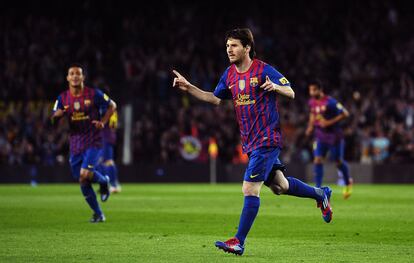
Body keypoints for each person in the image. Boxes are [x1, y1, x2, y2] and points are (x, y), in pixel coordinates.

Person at [172, 28, 333, 256]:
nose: (229, 49)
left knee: (249, 189)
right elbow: (215, 99)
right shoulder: (229, 74)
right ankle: (321, 194)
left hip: (267, 140)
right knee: (280, 186)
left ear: (247, 47)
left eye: (234, 45)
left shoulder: (263, 69)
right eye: (227, 45)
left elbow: (292, 92)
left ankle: (239, 241)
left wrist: (275, 87)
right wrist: (189, 87)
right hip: (250, 142)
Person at [51, 64, 117, 223]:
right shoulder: (62, 98)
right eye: (71, 74)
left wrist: (103, 121)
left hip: (93, 140)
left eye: (77, 74)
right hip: (75, 143)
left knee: (85, 174)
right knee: (82, 180)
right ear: (67, 78)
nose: (74, 76)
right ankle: (98, 214)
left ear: (82, 77)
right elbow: (53, 119)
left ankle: (103, 181)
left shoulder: (94, 94)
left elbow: (112, 105)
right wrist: (57, 115)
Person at [305, 80, 353, 199]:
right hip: (320, 135)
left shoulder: (330, 102)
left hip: (334, 136)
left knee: (338, 162)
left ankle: (348, 182)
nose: (311, 92)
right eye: (310, 90)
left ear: (320, 90)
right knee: (317, 160)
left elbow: (345, 114)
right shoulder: (312, 102)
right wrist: (310, 126)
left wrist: (328, 122)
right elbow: (312, 114)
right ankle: (318, 189)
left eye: (314, 90)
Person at [98, 108, 122, 193]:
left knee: (108, 161)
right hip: (106, 136)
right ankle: (106, 184)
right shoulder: (111, 108)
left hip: (106, 136)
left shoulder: (105, 109)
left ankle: (114, 185)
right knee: (101, 162)